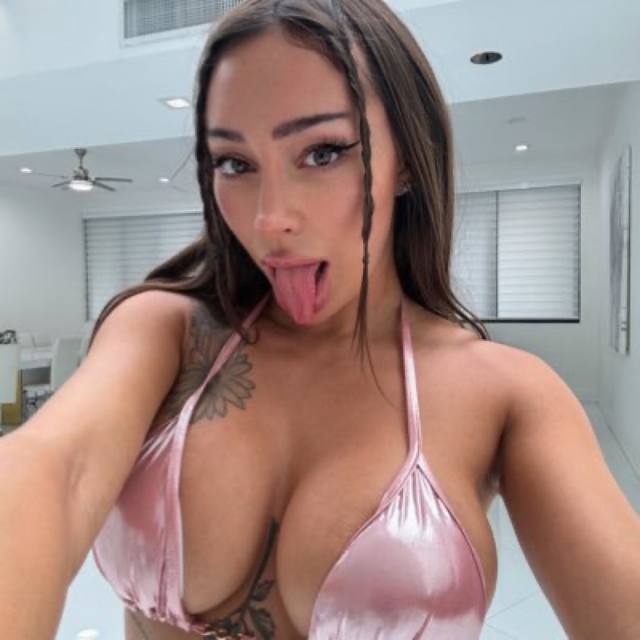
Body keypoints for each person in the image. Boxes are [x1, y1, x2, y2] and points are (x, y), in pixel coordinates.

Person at [1, 0, 639, 638]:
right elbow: (50, 469)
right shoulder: (166, 332)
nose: (269, 219)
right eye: (235, 163)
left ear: (407, 158)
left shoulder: (507, 395)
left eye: (323, 152)